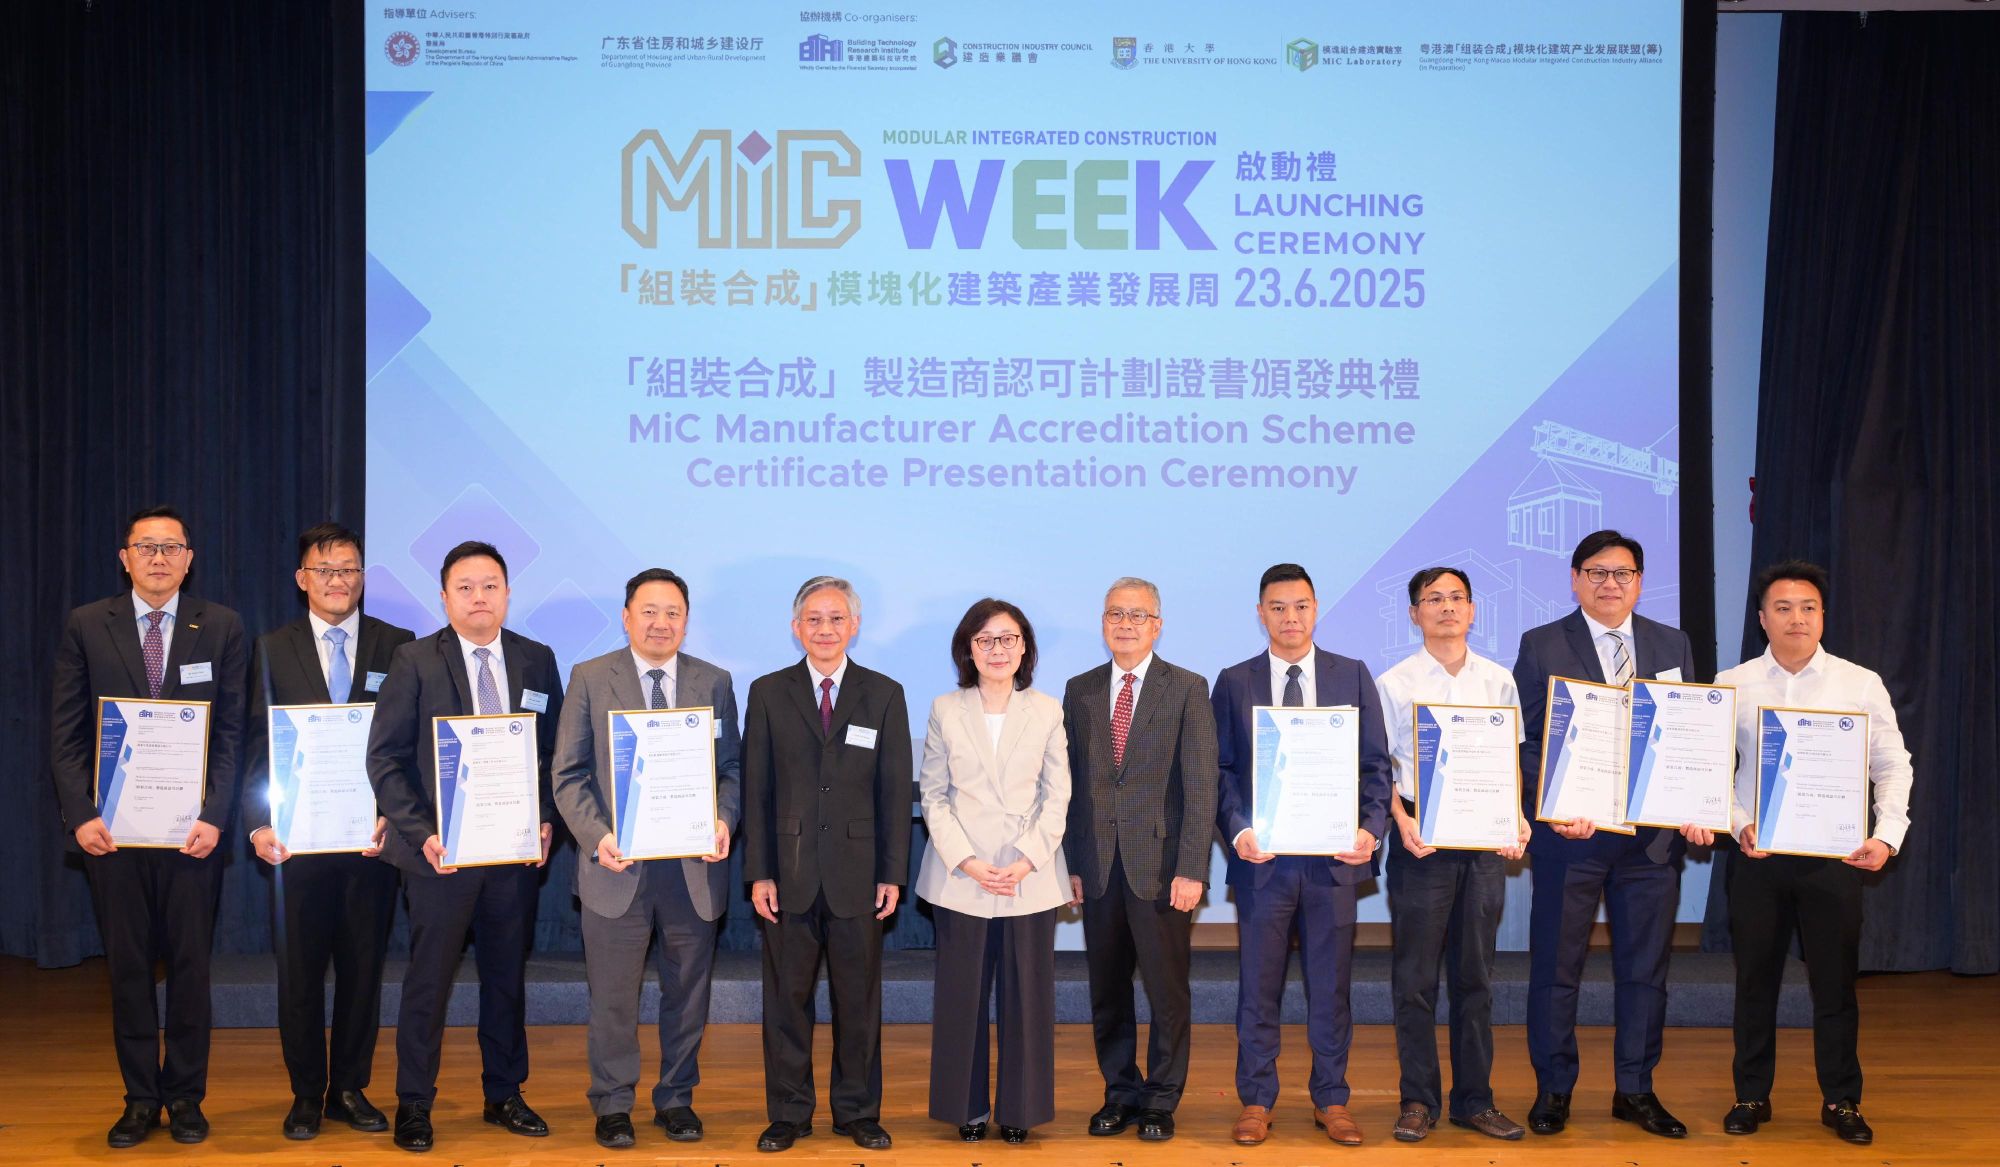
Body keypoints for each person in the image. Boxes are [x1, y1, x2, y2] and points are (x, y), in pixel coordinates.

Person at [49, 505, 247, 1148]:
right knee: (128, 968)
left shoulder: (220, 626)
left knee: (191, 969)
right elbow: (67, 733)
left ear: (190, 559)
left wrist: (218, 815)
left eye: (172, 547)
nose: (159, 558)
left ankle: (186, 1097)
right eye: (146, 546)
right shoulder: (87, 624)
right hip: (114, 835)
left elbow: (233, 733)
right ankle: (139, 1099)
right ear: (124, 557)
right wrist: (80, 814)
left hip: (194, 836)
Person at [365, 540, 563, 1154]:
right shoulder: (414, 660)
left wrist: (547, 818)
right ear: (445, 596)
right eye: (466, 587)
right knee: (428, 981)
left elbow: (554, 754)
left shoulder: (536, 659)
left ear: (507, 592)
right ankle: (414, 1103)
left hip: (511, 855)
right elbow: (386, 759)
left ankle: (504, 1092)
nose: (479, 597)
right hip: (439, 858)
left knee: (506, 978)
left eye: (491, 585)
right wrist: (422, 834)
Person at [1514, 529, 1704, 1139]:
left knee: (1645, 971)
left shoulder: (1671, 642)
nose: (1610, 584)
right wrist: (1551, 805)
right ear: (1575, 579)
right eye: (1596, 572)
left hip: (1650, 844)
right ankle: (1554, 1090)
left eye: (1622, 574)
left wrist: (1694, 799)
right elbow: (1526, 742)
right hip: (1572, 836)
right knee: (1556, 968)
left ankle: (1636, 1089)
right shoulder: (1542, 644)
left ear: (1639, 582)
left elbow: (1685, 736)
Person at [1715, 560, 1912, 1146]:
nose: (1796, 618)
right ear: (1761, 619)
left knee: (1835, 985)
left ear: (1823, 616)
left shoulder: (1860, 682)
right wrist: (1738, 822)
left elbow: (1891, 764)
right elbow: (1709, 770)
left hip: (1836, 859)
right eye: (1782, 608)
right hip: (1759, 858)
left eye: (1807, 608)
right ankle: (1751, 1094)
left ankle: (1842, 1099)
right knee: (1754, 981)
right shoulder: (1733, 683)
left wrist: (1887, 834)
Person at [551, 568, 741, 1150]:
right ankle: (612, 1104)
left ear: (687, 619)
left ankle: (676, 1099)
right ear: (627, 615)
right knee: (613, 996)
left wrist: (723, 819)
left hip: (692, 870)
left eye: (674, 612)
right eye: (650, 611)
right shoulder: (589, 678)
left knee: (688, 995)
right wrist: (596, 835)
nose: (662, 622)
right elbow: (567, 774)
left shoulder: (714, 682)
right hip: (617, 867)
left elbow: (730, 771)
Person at [1212, 563, 1391, 1146]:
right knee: (1258, 987)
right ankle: (1257, 1098)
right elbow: (1221, 772)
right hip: (1265, 863)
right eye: (1278, 607)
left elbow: (1375, 768)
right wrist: (1239, 832)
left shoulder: (1353, 675)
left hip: (1333, 864)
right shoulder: (1235, 681)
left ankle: (1331, 1098)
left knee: (1330, 986)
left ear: (1316, 609)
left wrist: (1369, 830)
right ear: (1260, 613)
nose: (1291, 617)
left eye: (1301, 606)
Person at [242, 523, 411, 1140]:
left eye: (349, 568)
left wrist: (397, 814)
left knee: (365, 970)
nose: (338, 580)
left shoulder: (400, 647)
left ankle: (350, 1087)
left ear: (363, 577)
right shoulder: (269, 648)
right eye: (325, 569)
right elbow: (255, 747)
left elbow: (407, 746)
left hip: (372, 840)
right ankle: (306, 1092)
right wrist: (260, 824)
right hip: (298, 843)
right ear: (302, 579)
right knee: (300, 974)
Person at [740, 576, 911, 1153]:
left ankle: (857, 1111)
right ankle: (788, 1112)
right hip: (786, 874)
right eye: (813, 619)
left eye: (836, 619)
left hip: (858, 875)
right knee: (786, 1000)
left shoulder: (884, 693)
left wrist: (892, 872)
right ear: (796, 627)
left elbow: (893, 792)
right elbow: (757, 789)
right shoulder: (767, 692)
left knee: (858, 1000)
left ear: (854, 626)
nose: (825, 629)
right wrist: (758, 871)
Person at [1373, 567, 1530, 1142]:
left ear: (1472, 610)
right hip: (1424, 842)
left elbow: (1511, 758)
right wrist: (1401, 821)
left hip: (1484, 843)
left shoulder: (1498, 681)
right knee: (1415, 980)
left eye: (1456, 598)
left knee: (1476, 978)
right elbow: (1379, 767)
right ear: (1414, 614)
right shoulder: (1393, 683)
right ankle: (1418, 1101)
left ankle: (1475, 1100)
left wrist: (1515, 815)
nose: (1445, 607)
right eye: (1432, 599)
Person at [1062, 576, 1218, 1143]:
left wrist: (1192, 868)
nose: (1125, 624)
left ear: (1157, 624)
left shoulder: (1186, 687)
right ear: (1102, 623)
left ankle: (1161, 1099)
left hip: (1162, 869)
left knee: (1166, 989)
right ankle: (1121, 1091)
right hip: (1099, 867)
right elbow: (1072, 785)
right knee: (1107, 990)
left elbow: (1200, 785)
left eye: (1137, 615)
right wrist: (1071, 864)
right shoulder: (1078, 690)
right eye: (1114, 614)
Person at [915, 598, 1071, 1145]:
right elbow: (933, 795)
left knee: (1028, 1000)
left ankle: (1020, 1112)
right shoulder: (945, 708)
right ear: (968, 649)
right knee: (962, 997)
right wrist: (970, 862)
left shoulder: (1048, 710)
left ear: (1024, 646)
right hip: (962, 876)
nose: (997, 649)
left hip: (1030, 875)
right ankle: (967, 1109)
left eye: (1007, 638)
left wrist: (1027, 858)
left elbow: (1059, 796)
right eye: (985, 640)